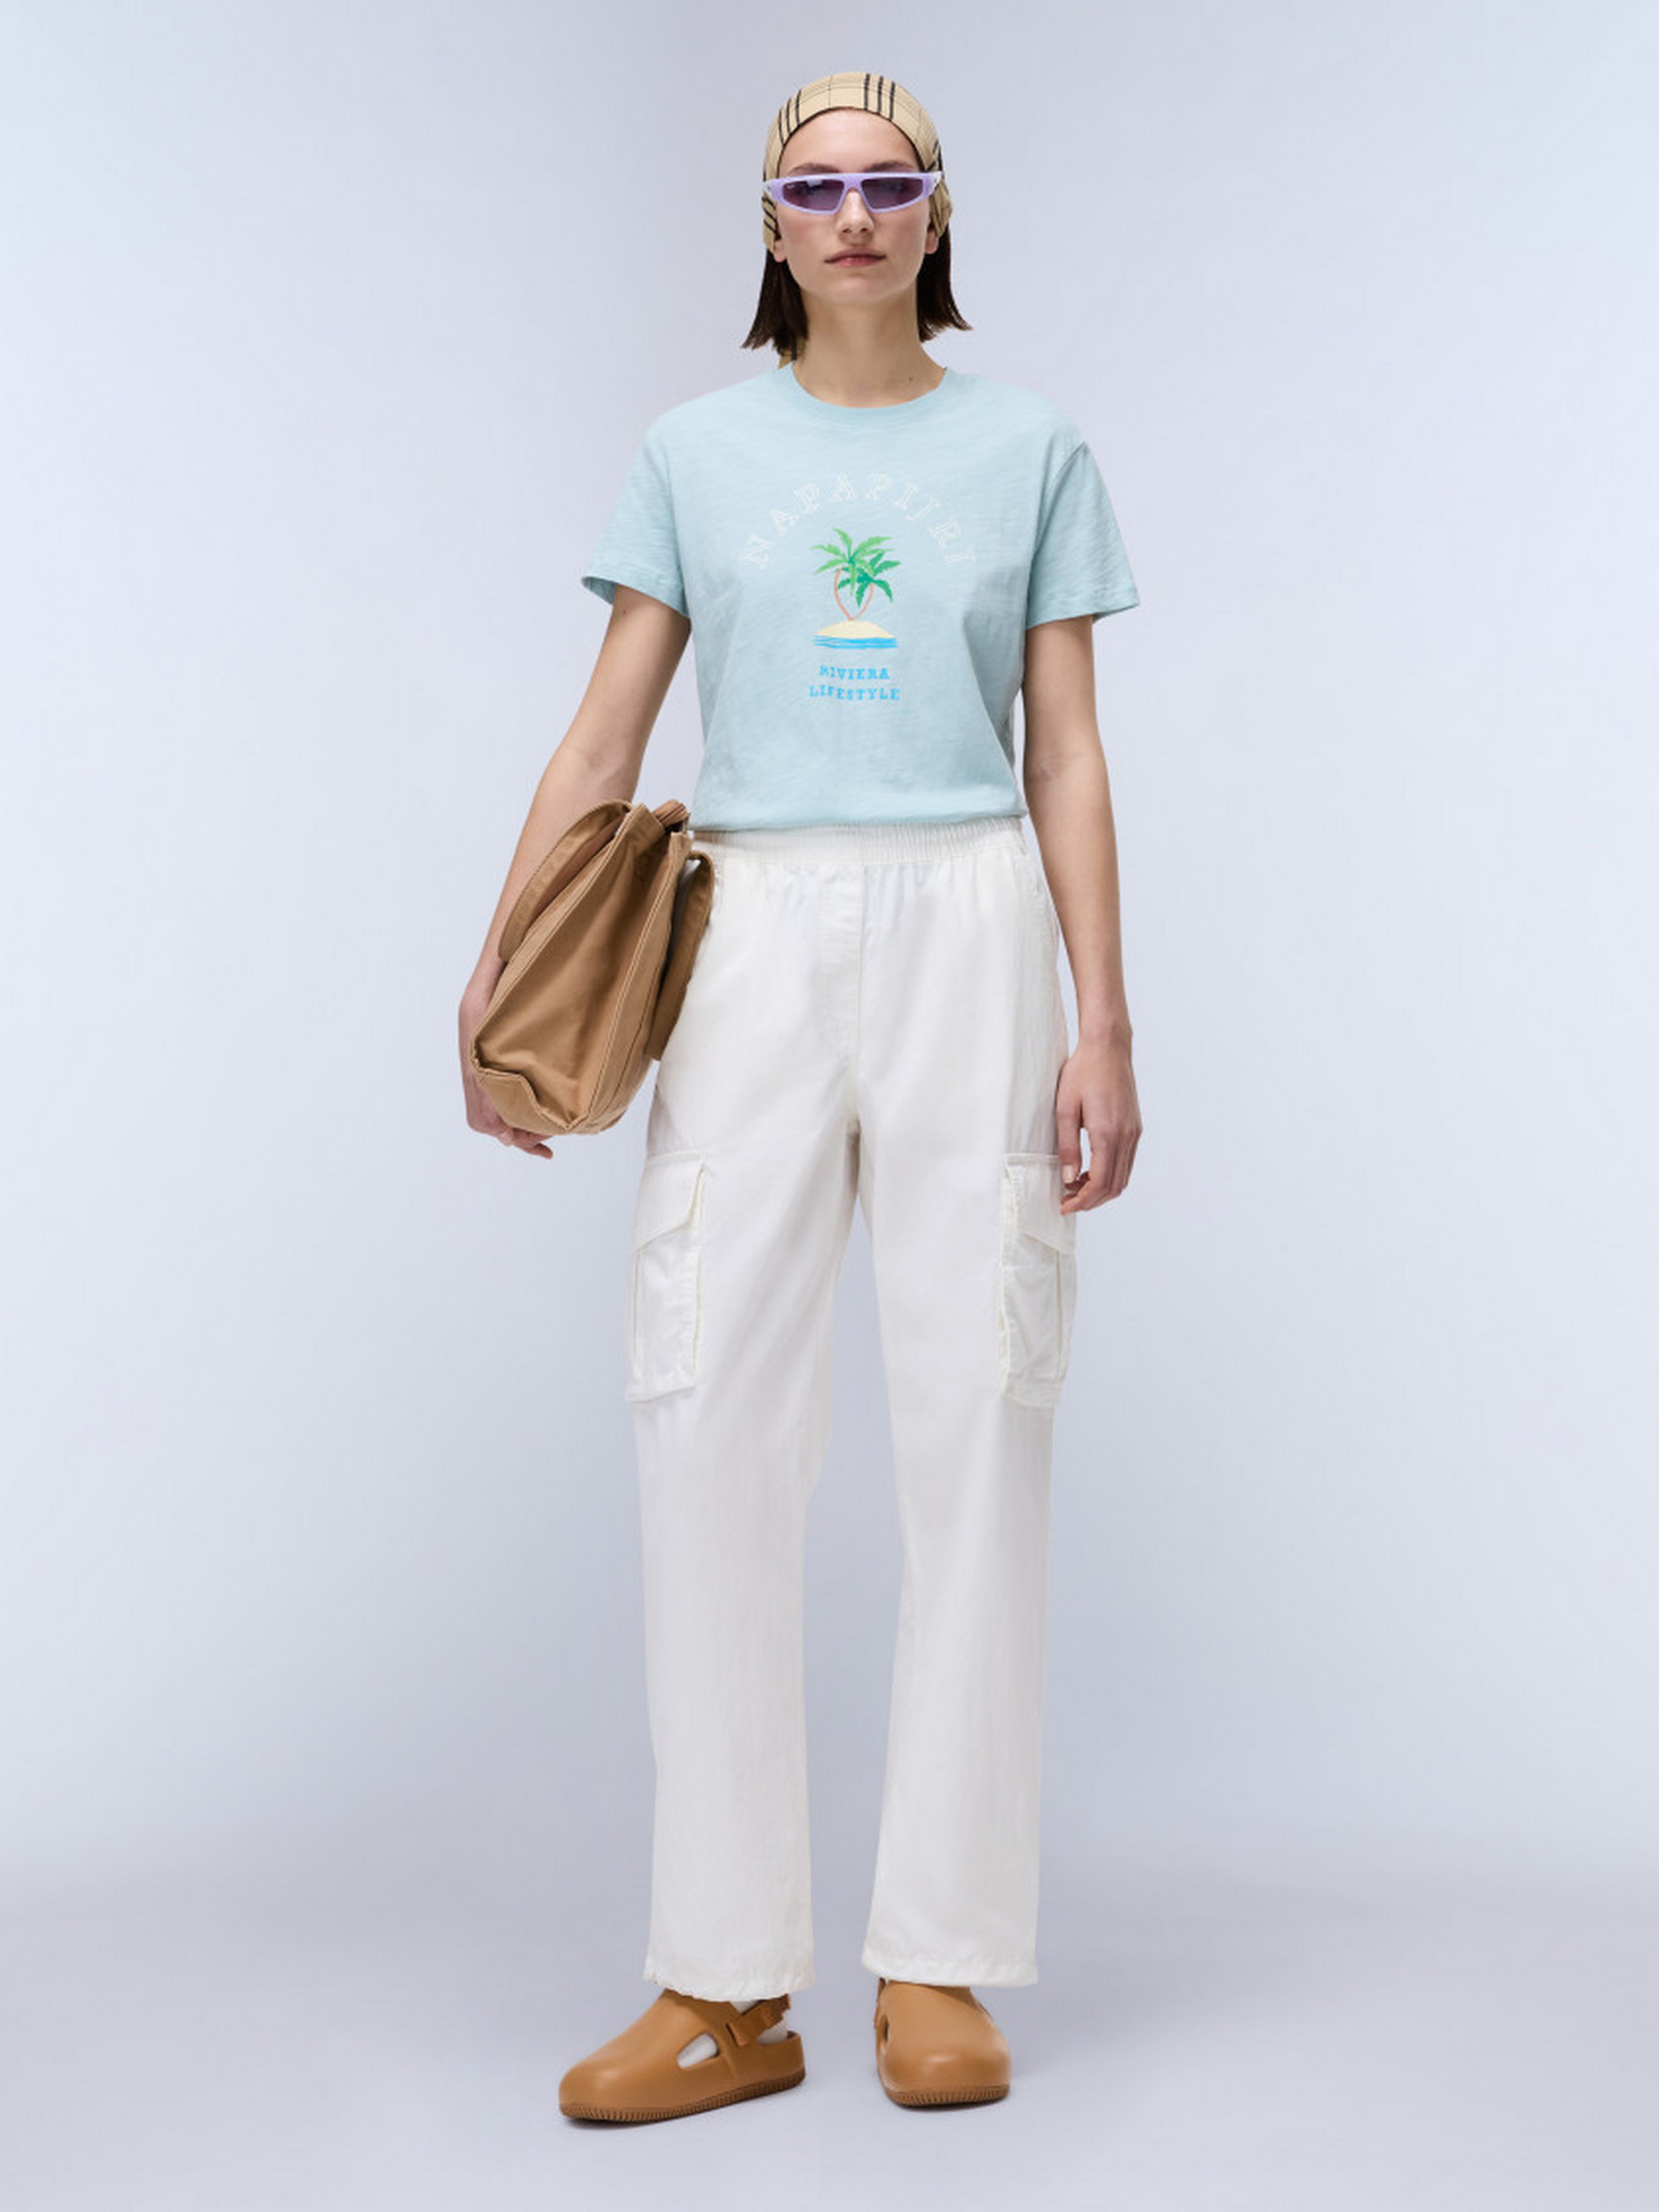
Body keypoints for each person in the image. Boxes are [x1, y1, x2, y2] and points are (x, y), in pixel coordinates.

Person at [458, 69, 1144, 2123]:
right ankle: (722, 1984)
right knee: (706, 1422)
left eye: (887, 182)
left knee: (978, 1417)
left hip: (968, 922)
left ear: (936, 213)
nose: (853, 214)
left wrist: (1103, 1020)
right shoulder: (694, 450)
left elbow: (1065, 749)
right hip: (746, 929)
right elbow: (607, 732)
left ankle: (938, 1961)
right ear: (768, 221)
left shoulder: (1030, 448)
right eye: (815, 185)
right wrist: (496, 967)